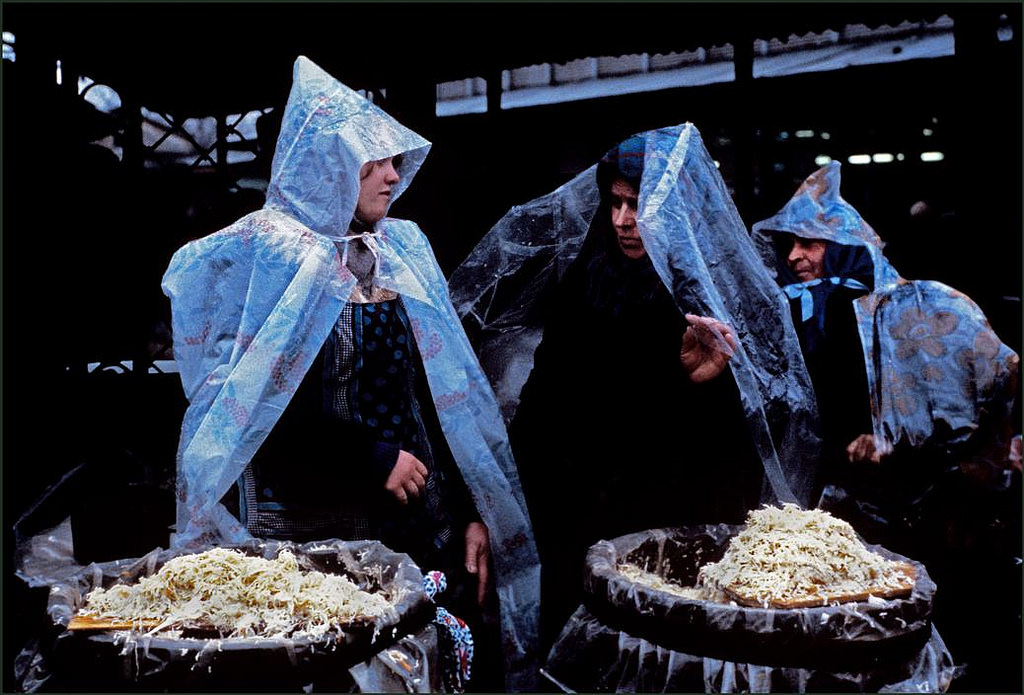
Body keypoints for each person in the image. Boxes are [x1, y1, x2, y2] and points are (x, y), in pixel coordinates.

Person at [161, 56, 540, 692]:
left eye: (393, 159)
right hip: (310, 541)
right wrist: (371, 458)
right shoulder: (275, 255)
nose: (394, 175)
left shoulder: (400, 248)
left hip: (417, 529)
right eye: (376, 161)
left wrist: (476, 507)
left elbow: (444, 390)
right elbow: (255, 410)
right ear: (330, 164)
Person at [449, 125, 821, 652]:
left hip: (665, 523)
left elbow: (751, 440)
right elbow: (544, 401)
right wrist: (490, 506)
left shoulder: (706, 292)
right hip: (573, 511)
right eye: (615, 204)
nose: (625, 222)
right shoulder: (587, 279)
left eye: (639, 206)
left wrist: (699, 383)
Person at [751, 162, 1021, 690]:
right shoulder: (808, 318)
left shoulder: (922, 307)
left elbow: (988, 384)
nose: (793, 257)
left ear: (846, 243)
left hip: (937, 519)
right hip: (852, 522)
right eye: (790, 244)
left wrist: (899, 443)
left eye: (809, 243)